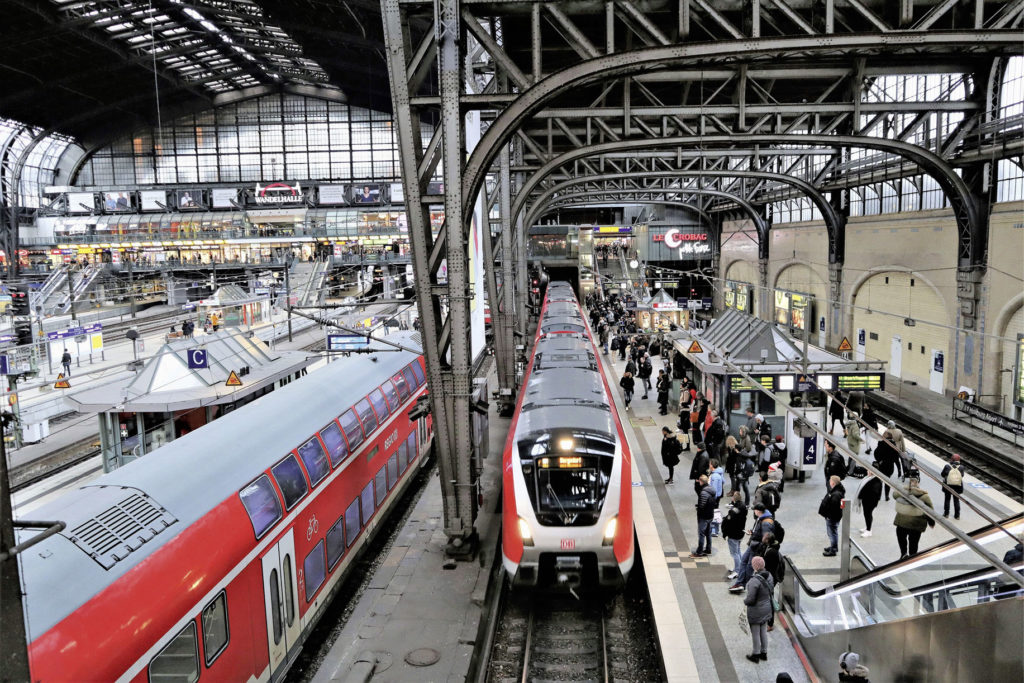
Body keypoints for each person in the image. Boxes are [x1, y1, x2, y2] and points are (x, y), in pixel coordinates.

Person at [730, 503, 774, 593]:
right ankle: (740, 582)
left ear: (758, 511)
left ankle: (743, 584)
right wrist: (753, 532)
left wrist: (759, 549)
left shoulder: (766, 522)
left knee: (750, 566)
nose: (754, 511)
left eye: (755, 510)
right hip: (753, 544)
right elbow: (759, 533)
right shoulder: (761, 518)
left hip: (756, 547)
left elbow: (765, 538)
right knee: (743, 561)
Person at [893, 475, 936, 559]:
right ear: (918, 484)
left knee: (901, 538)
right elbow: (930, 511)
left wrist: (905, 488)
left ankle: (903, 554)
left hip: (902, 521)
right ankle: (912, 558)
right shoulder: (925, 496)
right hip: (917, 524)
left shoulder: (902, 492)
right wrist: (931, 522)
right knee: (914, 542)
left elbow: (894, 495)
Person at [743, 555, 774, 663]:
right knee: (763, 631)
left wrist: (745, 601)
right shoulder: (769, 575)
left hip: (756, 611)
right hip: (767, 608)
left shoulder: (754, 581)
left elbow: (750, 599)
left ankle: (755, 654)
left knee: (755, 633)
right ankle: (764, 653)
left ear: (755, 566)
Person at [722, 491, 748, 581]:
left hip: (733, 534)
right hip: (740, 532)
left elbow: (728, 522)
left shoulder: (733, 511)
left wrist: (724, 533)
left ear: (733, 498)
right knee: (738, 551)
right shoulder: (744, 507)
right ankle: (740, 568)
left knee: (734, 553)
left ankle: (737, 571)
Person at [819, 475, 846, 556]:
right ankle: (833, 546)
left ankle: (833, 549)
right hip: (832, 517)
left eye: (830, 481)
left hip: (832, 517)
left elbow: (834, 508)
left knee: (832, 533)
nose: (829, 483)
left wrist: (828, 515)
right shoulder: (836, 491)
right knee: (832, 532)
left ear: (833, 483)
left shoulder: (836, 494)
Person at [855, 464, 883, 537]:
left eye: (869, 470)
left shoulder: (876, 481)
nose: (867, 471)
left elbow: (873, 493)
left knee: (868, 514)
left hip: (870, 502)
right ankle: (867, 527)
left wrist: (862, 496)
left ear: (872, 472)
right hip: (867, 500)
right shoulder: (869, 478)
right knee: (866, 514)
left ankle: (869, 530)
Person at [692, 474, 716, 557]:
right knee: (708, 533)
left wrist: (698, 510)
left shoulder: (703, 492)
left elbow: (702, 506)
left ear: (701, 481)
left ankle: (699, 551)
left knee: (701, 533)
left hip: (704, 516)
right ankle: (708, 549)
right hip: (710, 514)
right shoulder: (712, 489)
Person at [940, 454, 966, 519]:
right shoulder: (961, 467)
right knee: (956, 500)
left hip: (948, 485)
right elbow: (962, 475)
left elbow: (942, 474)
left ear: (952, 459)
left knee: (947, 499)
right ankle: (957, 516)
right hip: (958, 486)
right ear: (958, 460)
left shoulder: (947, 466)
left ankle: (946, 514)